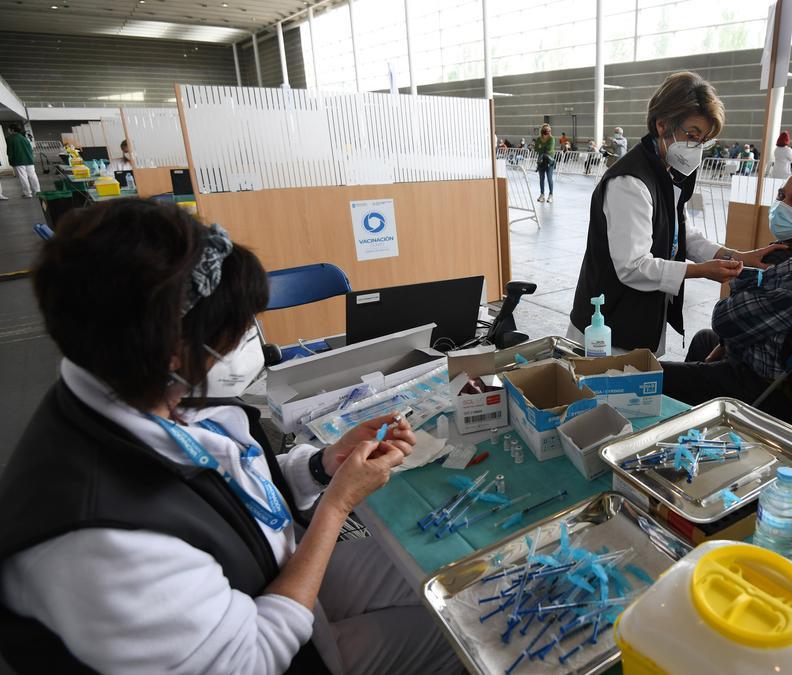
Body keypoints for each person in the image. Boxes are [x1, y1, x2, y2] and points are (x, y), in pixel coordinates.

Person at [0, 199, 459, 675]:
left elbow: (222, 490)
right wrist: (337, 507)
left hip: (270, 570)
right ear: (173, 351)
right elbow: (254, 657)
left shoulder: (134, 383)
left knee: (449, 574)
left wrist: (323, 465)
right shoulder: (97, 546)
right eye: (233, 337)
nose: (250, 346)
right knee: (464, 633)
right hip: (272, 642)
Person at [567, 71, 785, 356]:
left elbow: (679, 234)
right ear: (662, 124)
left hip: (642, 319)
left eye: (703, 140)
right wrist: (700, 271)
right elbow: (633, 266)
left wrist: (735, 256)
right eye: (691, 135)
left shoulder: (668, 172)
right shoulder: (630, 183)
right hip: (608, 328)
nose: (696, 147)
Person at [661, 160, 792, 404]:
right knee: (704, 339)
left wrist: (741, 278)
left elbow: (724, 320)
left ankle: (689, 415)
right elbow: (737, 326)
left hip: (764, 382)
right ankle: (690, 417)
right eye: (782, 195)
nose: (783, 206)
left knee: (658, 377)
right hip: (756, 351)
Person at [4, 124, 37, 199]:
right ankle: (37, 191)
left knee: (23, 177)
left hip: (19, 160)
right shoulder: (24, 137)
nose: (8, 131)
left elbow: (10, 152)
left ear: (12, 130)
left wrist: (11, 161)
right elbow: (30, 149)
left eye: (9, 129)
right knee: (32, 175)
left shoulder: (10, 139)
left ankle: (28, 193)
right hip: (29, 160)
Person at [534, 123, 556, 203]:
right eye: (545, 132)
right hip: (541, 161)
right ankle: (542, 195)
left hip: (549, 161)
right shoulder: (538, 139)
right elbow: (536, 149)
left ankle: (551, 195)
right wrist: (542, 149)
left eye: (548, 131)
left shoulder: (552, 139)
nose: (547, 133)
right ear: (542, 132)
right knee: (541, 178)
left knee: (549, 178)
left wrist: (541, 148)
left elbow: (549, 149)